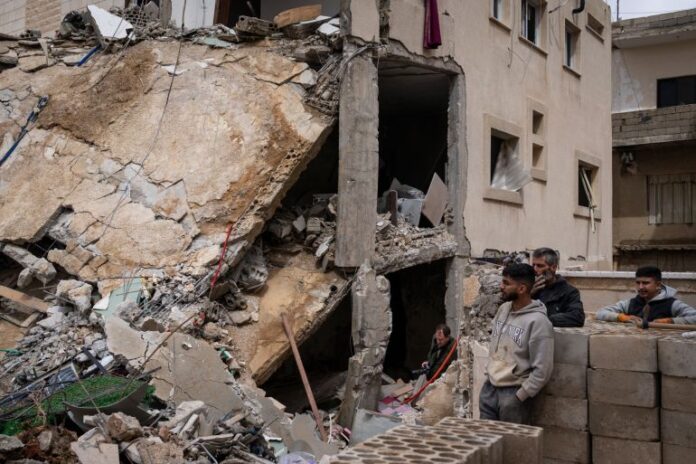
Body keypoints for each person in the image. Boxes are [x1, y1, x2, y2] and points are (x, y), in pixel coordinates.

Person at [480, 263, 554, 424]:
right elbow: (494, 347)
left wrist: (521, 395)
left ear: (521, 289)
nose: (501, 287)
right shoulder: (504, 309)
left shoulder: (538, 322)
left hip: (514, 393)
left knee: (510, 440)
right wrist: (488, 376)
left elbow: (543, 369)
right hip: (490, 388)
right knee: (485, 437)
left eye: (506, 283)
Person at [596, 266, 696, 325]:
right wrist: (622, 317)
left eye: (645, 283)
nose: (640, 287)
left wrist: (670, 321)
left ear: (658, 285)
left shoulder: (672, 304)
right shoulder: (630, 303)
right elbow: (600, 313)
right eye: (638, 283)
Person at [530, 247, 585, 327]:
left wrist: (544, 319)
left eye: (540, 266)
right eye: (533, 265)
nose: (535, 269)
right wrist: (527, 295)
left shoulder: (569, 292)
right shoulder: (527, 287)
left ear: (553, 267)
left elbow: (577, 317)